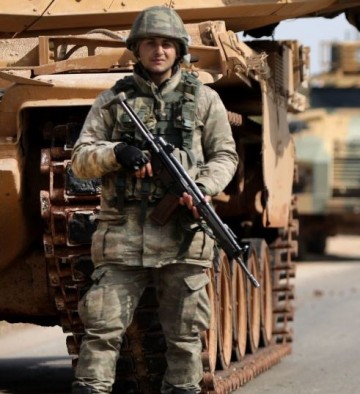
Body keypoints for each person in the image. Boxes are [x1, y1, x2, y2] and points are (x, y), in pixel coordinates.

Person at [69, 6, 238, 394]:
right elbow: (81, 158)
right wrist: (117, 153)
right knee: (101, 332)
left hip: (183, 238)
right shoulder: (113, 100)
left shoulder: (205, 99)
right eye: (150, 43)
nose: (158, 51)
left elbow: (224, 155)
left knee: (185, 339)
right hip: (122, 239)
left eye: (166, 44)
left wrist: (205, 188)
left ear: (179, 50)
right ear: (137, 49)